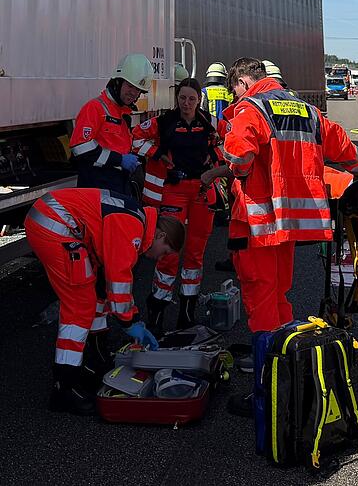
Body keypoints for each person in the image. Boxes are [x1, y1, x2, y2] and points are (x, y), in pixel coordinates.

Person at [220, 57, 358, 414]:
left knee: (260, 305)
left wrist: (237, 174)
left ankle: (266, 395)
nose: (234, 96)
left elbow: (239, 154)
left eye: (233, 90)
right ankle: (286, 382)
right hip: (291, 226)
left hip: (258, 226)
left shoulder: (250, 108)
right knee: (279, 301)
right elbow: (344, 150)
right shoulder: (306, 110)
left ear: (243, 81)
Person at [24, 188, 184, 415]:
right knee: (79, 307)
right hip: (55, 225)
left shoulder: (136, 218)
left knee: (95, 296)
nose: (160, 257)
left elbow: (111, 284)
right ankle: (64, 387)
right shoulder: (132, 228)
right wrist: (130, 323)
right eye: (165, 251)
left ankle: (90, 364)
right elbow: (119, 282)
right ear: (160, 236)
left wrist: (133, 316)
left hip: (56, 220)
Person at [132, 78, 226, 336]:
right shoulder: (163, 122)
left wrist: (215, 155)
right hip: (172, 192)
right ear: (177, 99)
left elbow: (232, 142)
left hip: (201, 192)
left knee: (195, 254)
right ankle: (157, 310)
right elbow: (135, 138)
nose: (186, 104)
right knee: (169, 253)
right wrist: (157, 152)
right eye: (182, 98)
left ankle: (187, 313)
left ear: (199, 100)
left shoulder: (210, 122)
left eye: (191, 99)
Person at [70, 53, 152, 194]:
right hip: (95, 186)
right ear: (118, 82)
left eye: (138, 89)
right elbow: (80, 149)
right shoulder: (95, 108)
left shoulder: (123, 114)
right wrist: (120, 160)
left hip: (117, 184)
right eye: (130, 86)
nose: (133, 93)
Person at [202, 62, 233, 128]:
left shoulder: (204, 92)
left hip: (209, 128)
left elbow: (200, 111)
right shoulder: (229, 93)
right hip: (226, 129)